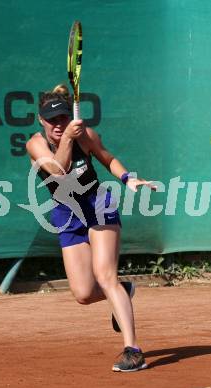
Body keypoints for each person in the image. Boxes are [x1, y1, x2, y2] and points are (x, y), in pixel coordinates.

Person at [26, 84, 155, 372]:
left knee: (105, 275)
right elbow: (58, 171)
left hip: (97, 204)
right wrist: (69, 141)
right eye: (52, 120)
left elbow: (107, 158)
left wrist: (128, 178)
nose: (58, 125)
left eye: (62, 118)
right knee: (84, 293)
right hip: (66, 213)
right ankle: (124, 290)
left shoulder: (86, 136)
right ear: (41, 120)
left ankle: (133, 349)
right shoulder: (35, 145)